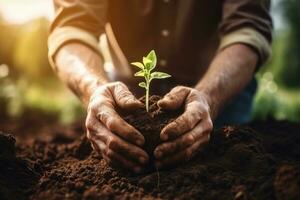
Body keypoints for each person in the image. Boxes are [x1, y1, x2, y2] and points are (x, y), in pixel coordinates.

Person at [48, 0, 272, 172]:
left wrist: (209, 98)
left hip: (221, 87)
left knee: (228, 157)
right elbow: (72, 27)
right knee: (120, 145)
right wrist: (94, 88)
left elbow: (248, 28)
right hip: (125, 90)